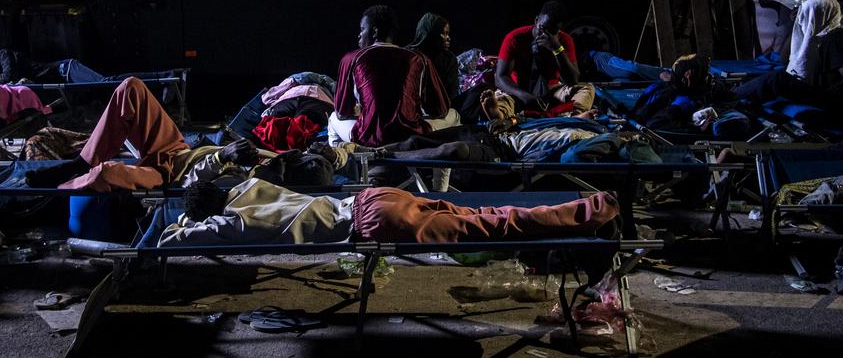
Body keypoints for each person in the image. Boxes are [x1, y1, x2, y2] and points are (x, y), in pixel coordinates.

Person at [160, 176, 620, 246]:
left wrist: (183, 225)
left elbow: (175, 241)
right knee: (485, 210)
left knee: (492, 226)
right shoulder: (250, 186)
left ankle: (594, 211)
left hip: (373, 223)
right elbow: (210, 175)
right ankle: (588, 207)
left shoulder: (231, 220)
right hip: (374, 196)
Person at [24, 77, 258, 190]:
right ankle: (81, 162)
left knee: (107, 173)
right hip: (176, 150)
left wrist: (221, 157)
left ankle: (57, 190)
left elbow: (194, 186)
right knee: (130, 87)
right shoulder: (266, 160)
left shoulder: (245, 185)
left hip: (168, 178)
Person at [328, 5, 459, 148]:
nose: (359, 34)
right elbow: (439, 110)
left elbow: (341, 113)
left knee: (333, 118)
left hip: (369, 138)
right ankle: (438, 167)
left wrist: (361, 111)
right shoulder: (419, 59)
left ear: (374, 31)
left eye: (362, 29)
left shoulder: (351, 59)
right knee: (454, 115)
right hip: (412, 136)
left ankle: (347, 164)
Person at [736, 0, 843, 129]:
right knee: (773, 77)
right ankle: (735, 95)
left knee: (778, 79)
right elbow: (785, 59)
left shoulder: (835, 38)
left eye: (807, 15)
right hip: (824, 90)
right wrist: (796, 26)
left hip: (838, 102)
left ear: (818, 15)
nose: (804, 19)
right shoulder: (819, 36)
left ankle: (730, 98)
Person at [491, 1, 594, 118]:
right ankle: (500, 114)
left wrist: (557, 49)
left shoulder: (564, 41)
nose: (546, 34)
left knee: (587, 89)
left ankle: (574, 116)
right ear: (536, 21)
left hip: (550, 93)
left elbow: (573, 80)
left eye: (553, 31)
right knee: (502, 97)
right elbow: (500, 77)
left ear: (559, 29)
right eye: (543, 28)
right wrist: (524, 95)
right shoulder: (515, 37)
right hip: (519, 92)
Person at [407, 12, 460, 100]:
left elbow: (451, 94)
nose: (448, 38)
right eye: (444, 33)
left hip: (440, 108)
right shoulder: (409, 56)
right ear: (431, 34)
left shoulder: (449, 59)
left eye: (448, 33)